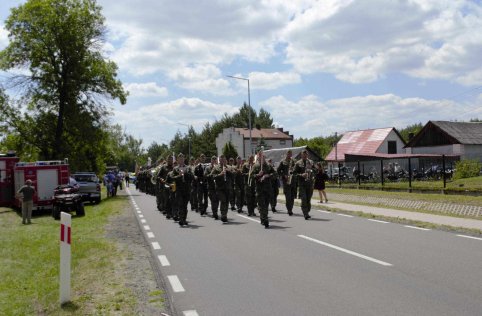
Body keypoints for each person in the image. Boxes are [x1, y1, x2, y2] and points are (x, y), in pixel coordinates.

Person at [251, 149, 275, 228]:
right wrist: (258, 175)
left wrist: (267, 175)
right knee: (262, 205)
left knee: (266, 205)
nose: (262, 158)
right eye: (260, 156)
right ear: (258, 157)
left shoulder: (268, 165)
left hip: (268, 189)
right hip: (260, 189)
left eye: (263, 157)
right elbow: (251, 176)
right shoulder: (256, 166)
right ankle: (265, 219)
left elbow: (275, 173)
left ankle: (263, 218)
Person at [292, 150, 315, 220]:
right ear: (301, 155)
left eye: (306, 155)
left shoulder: (311, 162)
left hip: (310, 183)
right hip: (302, 184)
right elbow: (294, 173)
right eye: (303, 155)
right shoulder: (298, 163)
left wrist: (312, 172)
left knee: (308, 199)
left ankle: (307, 211)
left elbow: (315, 170)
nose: (305, 156)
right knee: (304, 199)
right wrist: (301, 175)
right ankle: (305, 213)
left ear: (307, 155)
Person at [277, 149, 296, 216]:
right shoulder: (282, 161)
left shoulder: (293, 161)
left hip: (292, 181)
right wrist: (283, 175)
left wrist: (293, 171)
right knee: (288, 196)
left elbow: (296, 170)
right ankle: (289, 210)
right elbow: (278, 170)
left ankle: (291, 208)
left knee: (292, 197)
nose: (289, 155)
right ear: (286, 154)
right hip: (286, 181)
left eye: (290, 154)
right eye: (288, 154)